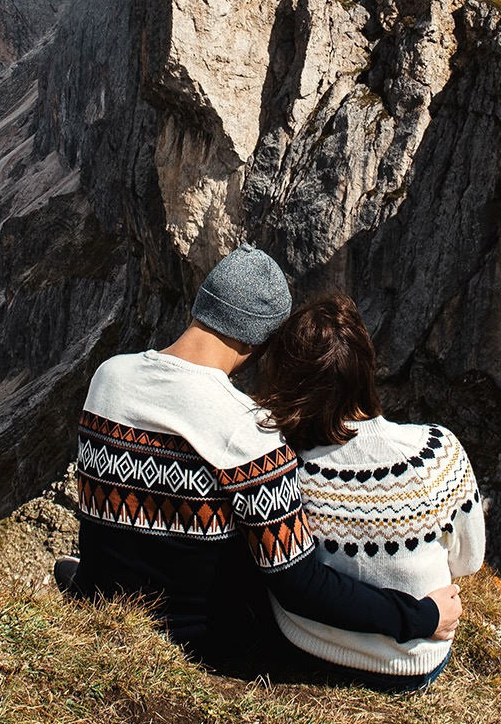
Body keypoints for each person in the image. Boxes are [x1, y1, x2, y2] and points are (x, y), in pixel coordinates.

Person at [66, 244, 461, 674]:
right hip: (198, 645)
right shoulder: (248, 433)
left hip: (103, 604)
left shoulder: (109, 377)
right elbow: (301, 586)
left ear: (200, 306)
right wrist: (423, 616)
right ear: (258, 343)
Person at [250, 294, 485, 693]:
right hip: (415, 659)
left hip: (308, 645)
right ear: (366, 368)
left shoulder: (281, 465)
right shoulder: (437, 451)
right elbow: (469, 560)